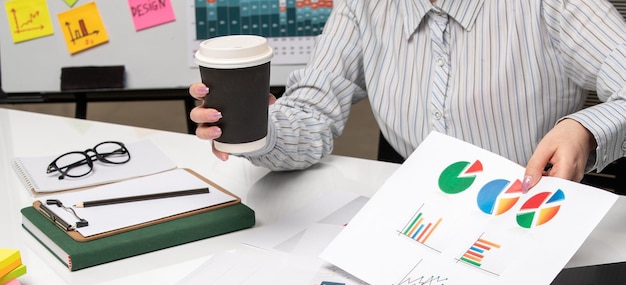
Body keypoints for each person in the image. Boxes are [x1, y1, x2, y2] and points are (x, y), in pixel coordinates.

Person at [189, 0, 626, 193]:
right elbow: (310, 114)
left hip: (524, 210)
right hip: (414, 219)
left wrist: (584, 129)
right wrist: (259, 129)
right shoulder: (364, 6)